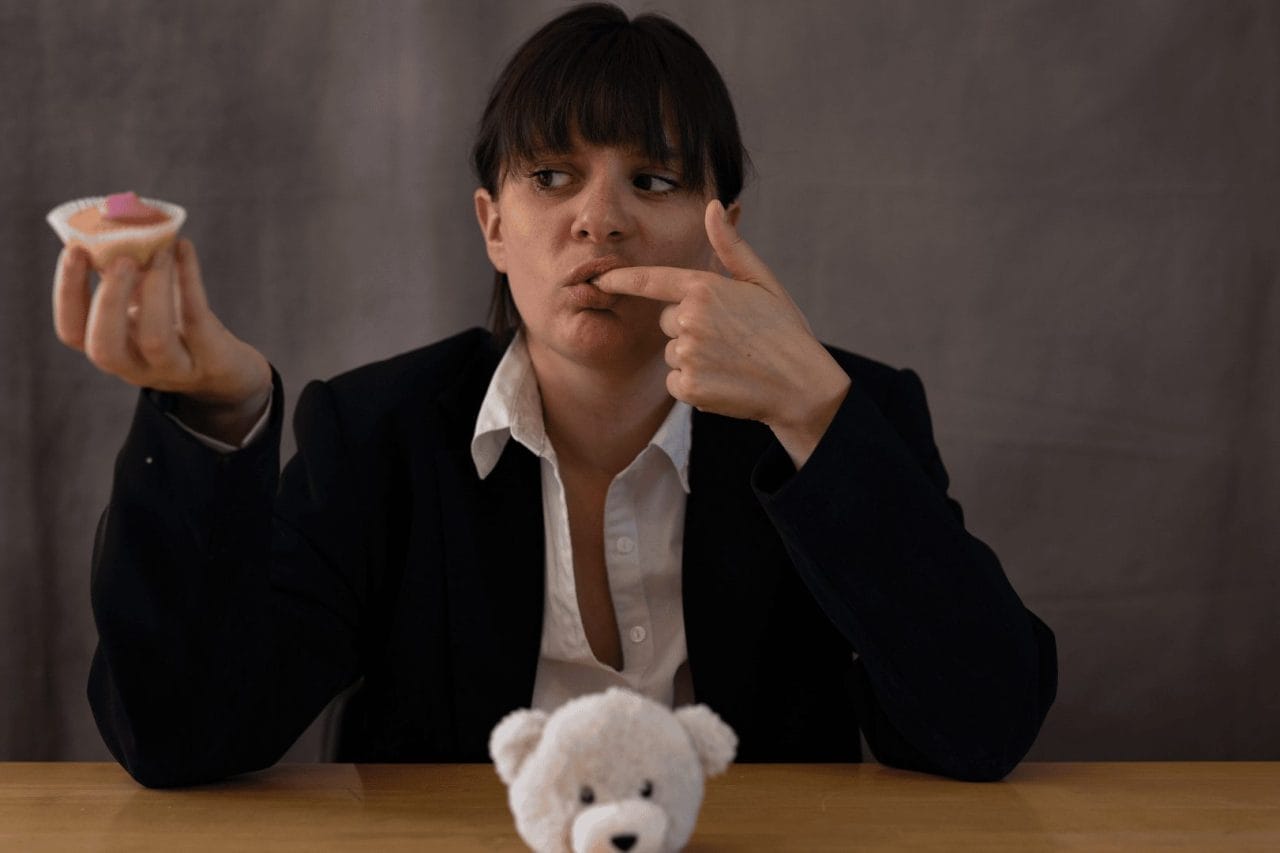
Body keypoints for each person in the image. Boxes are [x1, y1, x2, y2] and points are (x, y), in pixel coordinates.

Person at [52, 3, 1056, 789]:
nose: (598, 220)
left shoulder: (842, 410)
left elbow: (979, 729)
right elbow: (181, 735)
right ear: (492, 225)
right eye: (552, 175)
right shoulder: (377, 435)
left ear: (722, 224)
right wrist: (217, 416)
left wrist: (815, 418)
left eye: (652, 181)